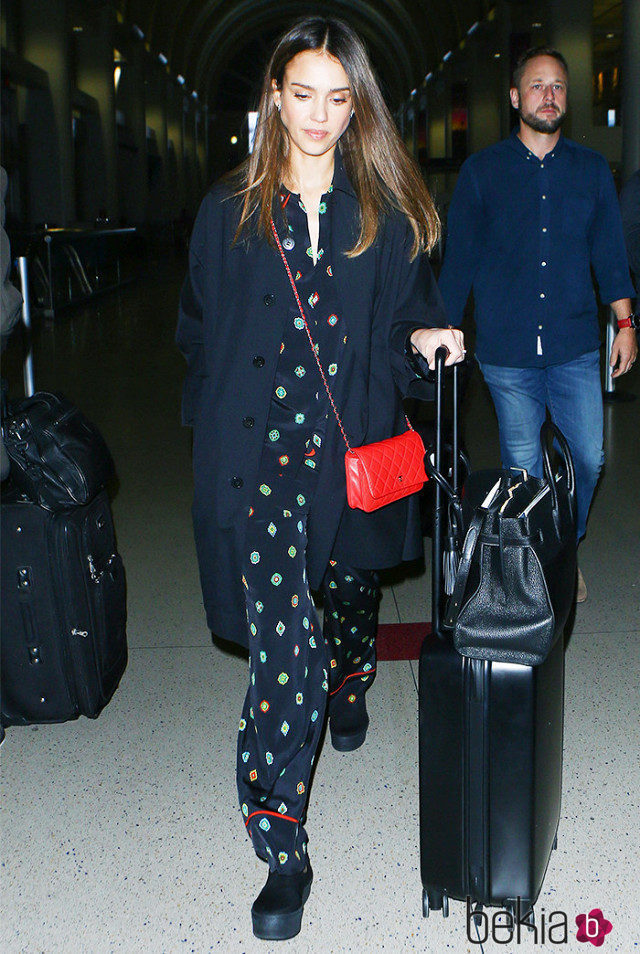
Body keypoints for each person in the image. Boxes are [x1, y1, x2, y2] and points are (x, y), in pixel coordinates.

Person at [176, 16, 464, 942]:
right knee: (282, 651)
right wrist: (213, 438)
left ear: (359, 106)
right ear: (273, 95)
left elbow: (405, 317)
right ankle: (281, 840)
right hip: (257, 466)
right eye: (303, 94)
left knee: (343, 603)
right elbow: (197, 331)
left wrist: (423, 340)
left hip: (345, 462)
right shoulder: (227, 212)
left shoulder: (381, 214)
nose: (320, 116)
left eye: (340, 99)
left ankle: (352, 676)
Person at [438, 46, 637, 602]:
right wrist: (443, 331)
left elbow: (610, 253)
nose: (548, 95)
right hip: (507, 351)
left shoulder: (591, 170)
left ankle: (562, 546)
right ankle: (543, 571)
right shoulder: (482, 173)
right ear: (514, 98)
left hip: (575, 344)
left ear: (565, 99)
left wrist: (625, 322)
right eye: (536, 86)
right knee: (523, 471)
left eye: (557, 87)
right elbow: (460, 263)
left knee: (589, 459)